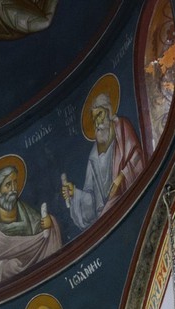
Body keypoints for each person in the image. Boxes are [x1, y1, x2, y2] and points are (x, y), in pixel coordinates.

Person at [62, 77, 145, 231]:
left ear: (109, 111)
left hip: (128, 198)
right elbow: (91, 198)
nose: (96, 122)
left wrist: (121, 177)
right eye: (93, 118)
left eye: (99, 114)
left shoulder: (122, 128)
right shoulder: (93, 155)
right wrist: (76, 194)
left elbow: (138, 157)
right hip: (107, 215)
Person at [0, 157, 63, 294]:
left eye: (15, 183)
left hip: (41, 280)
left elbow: (44, 234)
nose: (14, 189)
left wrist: (50, 224)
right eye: (8, 185)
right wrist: (4, 268)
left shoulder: (29, 214)